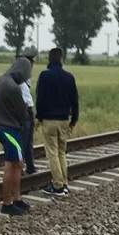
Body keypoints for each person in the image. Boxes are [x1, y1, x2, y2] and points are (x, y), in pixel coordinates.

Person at [0, 57, 33, 215]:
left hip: (0, 126)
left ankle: (17, 199)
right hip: (11, 130)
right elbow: (22, 111)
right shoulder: (14, 87)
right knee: (15, 166)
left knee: (14, 165)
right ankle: (7, 203)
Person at [36, 48, 79, 197]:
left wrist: (39, 117)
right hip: (64, 120)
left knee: (52, 153)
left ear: (49, 59)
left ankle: (58, 186)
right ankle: (64, 182)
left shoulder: (45, 76)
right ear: (61, 59)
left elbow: (40, 99)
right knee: (62, 152)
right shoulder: (69, 77)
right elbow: (75, 101)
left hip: (49, 120)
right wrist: (74, 120)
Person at [20, 48, 38, 174]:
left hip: (28, 110)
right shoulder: (20, 78)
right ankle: (20, 167)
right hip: (24, 110)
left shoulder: (25, 76)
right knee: (24, 141)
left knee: (28, 141)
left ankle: (30, 166)